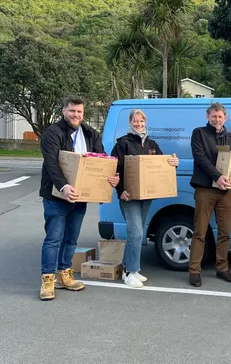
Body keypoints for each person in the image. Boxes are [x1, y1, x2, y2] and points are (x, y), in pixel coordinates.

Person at [39, 96, 119, 301]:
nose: (76, 115)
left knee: (71, 238)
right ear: (63, 111)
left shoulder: (91, 133)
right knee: (54, 238)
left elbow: (102, 161)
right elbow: (52, 164)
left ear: (84, 114)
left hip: (80, 197)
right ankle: (48, 279)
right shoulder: (52, 133)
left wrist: (109, 179)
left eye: (79, 112)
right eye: (72, 111)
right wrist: (64, 186)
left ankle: (64, 274)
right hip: (57, 195)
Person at [111, 109, 179, 289]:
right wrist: (120, 190)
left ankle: (130, 268)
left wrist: (173, 163)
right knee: (137, 233)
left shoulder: (152, 144)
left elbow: (162, 166)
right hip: (129, 196)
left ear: (145, 123)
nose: (139, 124)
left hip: (147, 195)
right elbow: (112, 169)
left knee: (138, 233)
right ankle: (129, 273)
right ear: (130, 122)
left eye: (141, 121)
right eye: (135, 121)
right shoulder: (122, 144)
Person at [188, 102, 231, 287]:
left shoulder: (230, 137)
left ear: (225, 118)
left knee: (225, 232)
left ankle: (222, 268)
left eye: (220, 116)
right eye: (214, 116)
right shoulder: (199, 133)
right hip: (205, 189)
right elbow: (200, 158)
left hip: (225, 192)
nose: (217, 119)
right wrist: (217, 176)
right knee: (200, 232)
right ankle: (194, 271)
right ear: (208, 117)